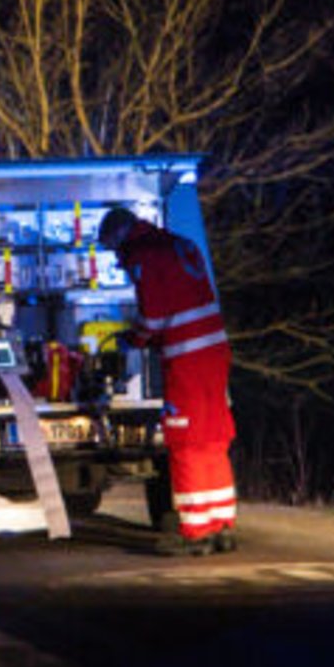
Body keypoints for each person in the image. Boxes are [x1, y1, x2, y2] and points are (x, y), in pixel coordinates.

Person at [99, 207, 239, 555]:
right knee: (213, 437)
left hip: (186, 357)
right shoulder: (179, 244)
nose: (119, 259)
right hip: (214, 352)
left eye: (113, 250)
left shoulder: (143, 256)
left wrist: (132, 340)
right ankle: (222, 524)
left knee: (186, 440)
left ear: (119, 238)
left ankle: (194, 532)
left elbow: (155, 316)